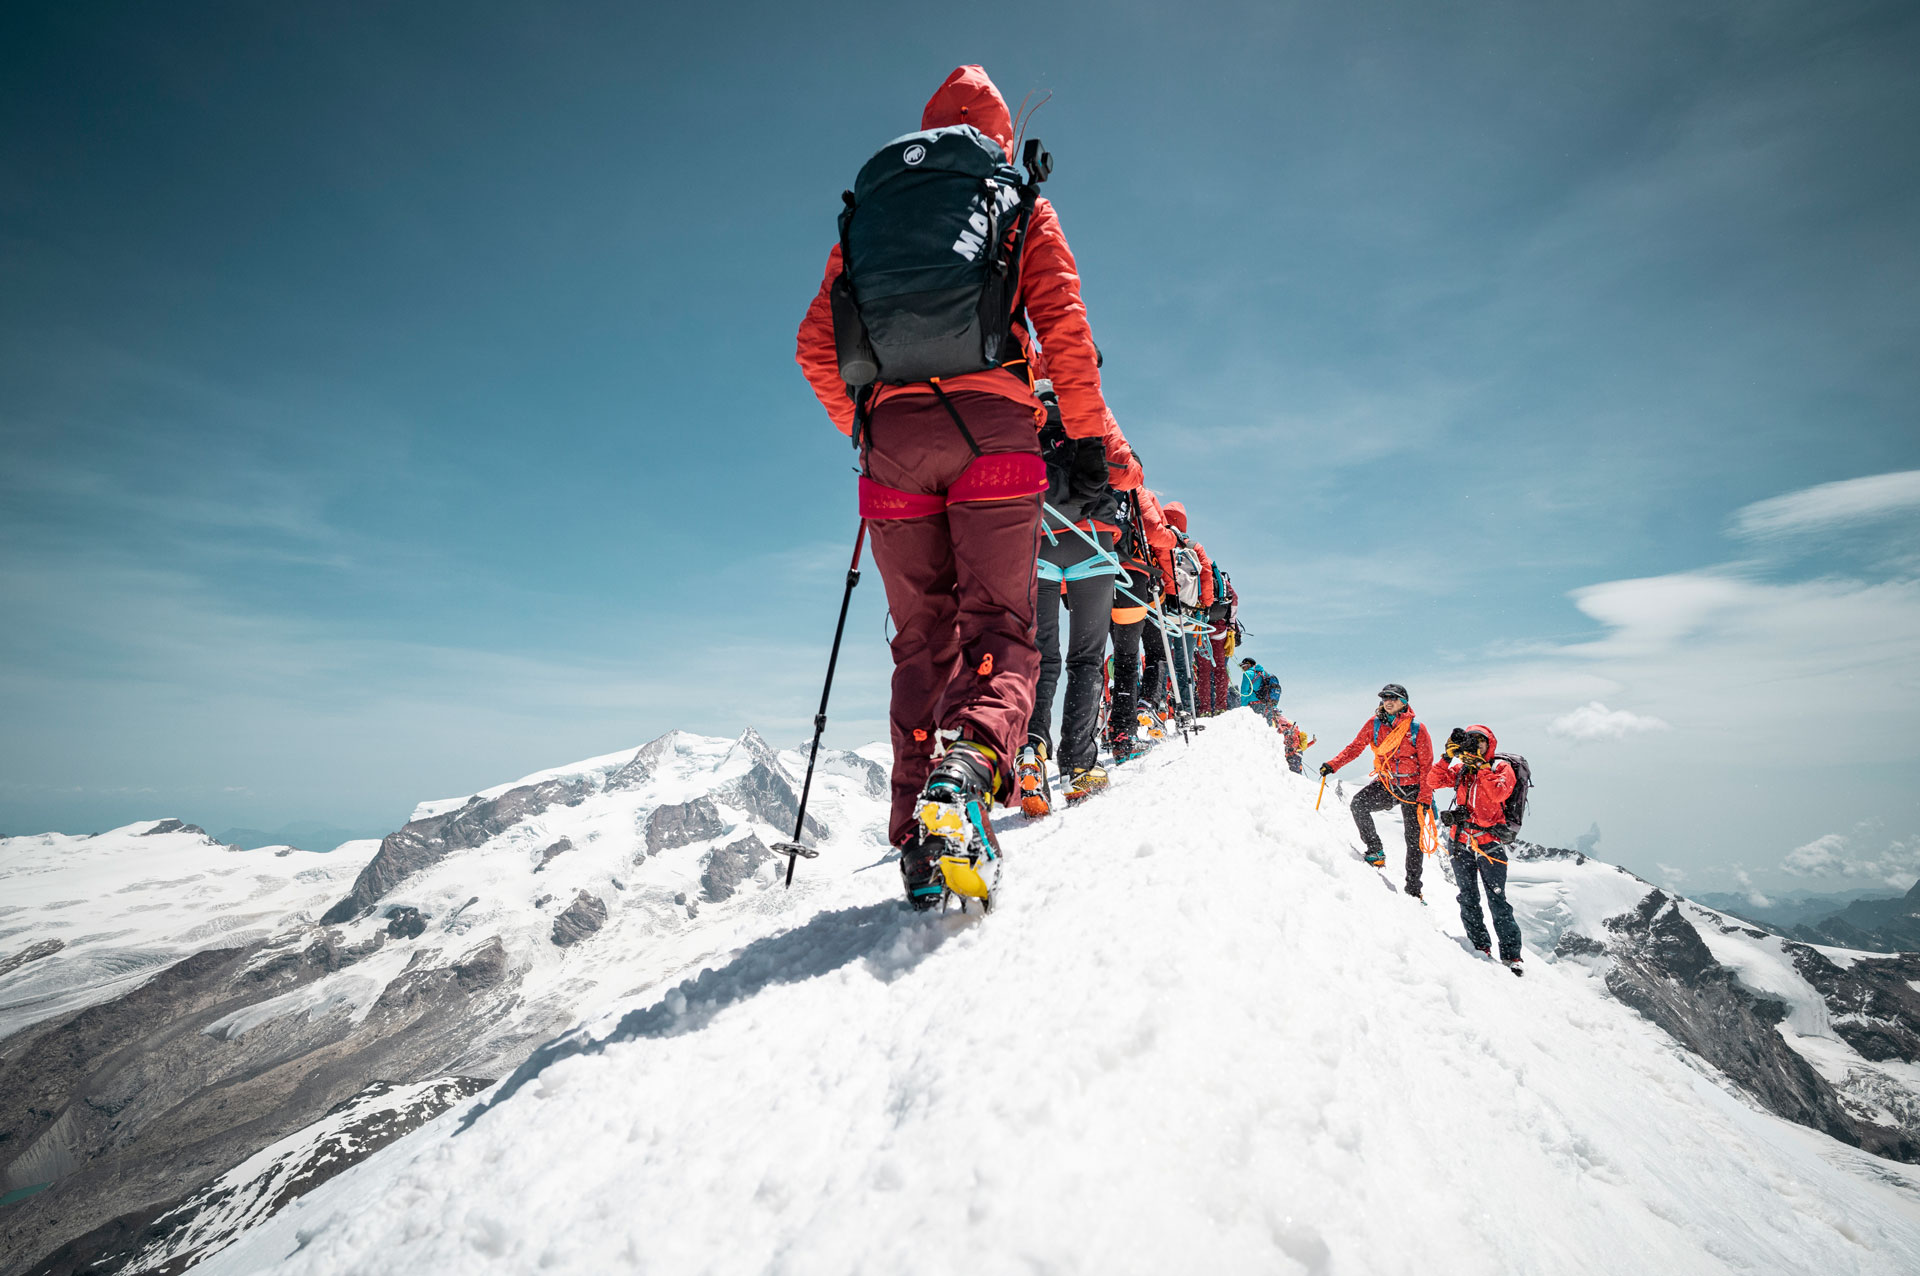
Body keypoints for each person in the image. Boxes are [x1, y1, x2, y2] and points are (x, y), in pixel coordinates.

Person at [796, 65, 1112, 909]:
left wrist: (868, 429)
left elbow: (815, 349)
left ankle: (913, 833)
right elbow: (1066, 332)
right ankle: (964, 780)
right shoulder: (1013, 199)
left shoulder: (869, 216)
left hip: (892, 447)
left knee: (920, 638)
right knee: (1001, 626)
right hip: (997, 434)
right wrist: (1085, 445)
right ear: (999, 135)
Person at [1022, 379, 1143, 813]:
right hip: (1092, 542)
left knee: (1041, 656)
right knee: (1087, 659)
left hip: (1036, 543)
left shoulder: (1023, 411)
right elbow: (1130, 475)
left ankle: (1031, 751)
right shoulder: (1091, 410)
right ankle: (1077, 766)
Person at [1319, 683, 1434, 897]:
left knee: (1414, 840)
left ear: (1404, 702)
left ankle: (1413, 890)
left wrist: (1425, 795)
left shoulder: (1417, 728)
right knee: (1359, 804)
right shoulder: (1374, 724)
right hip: (1388, 783)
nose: (1388, 701)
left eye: (1393, 697)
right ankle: (1375, 850)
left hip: (1413, 788)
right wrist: (1333, 764)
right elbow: (1355, 748)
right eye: (1385, 697)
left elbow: (1427, 765)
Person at [1427, 725, 1524, 972]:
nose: (1474, 745)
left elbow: (1498, 793)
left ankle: (1512, 956)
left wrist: (1482, 768)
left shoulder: (1500, 768)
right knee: (1467, 896)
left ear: (1489, 744)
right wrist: (1447, 756)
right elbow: (1433, 780)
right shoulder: (1462, 769)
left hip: (1489, 844)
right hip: (1460, 841)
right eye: (1470, 741)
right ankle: (1479, 946)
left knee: (1497, 899)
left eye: (1480, 741)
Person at [1104, 485, 1173, 763]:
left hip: (1095, 577)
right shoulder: (1136, 491)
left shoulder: (1085, 478)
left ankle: (1096, 739)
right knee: (1151, 652)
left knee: (1116, 657)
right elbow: (1156, 536)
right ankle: (1139, 712)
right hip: (1136, 578)